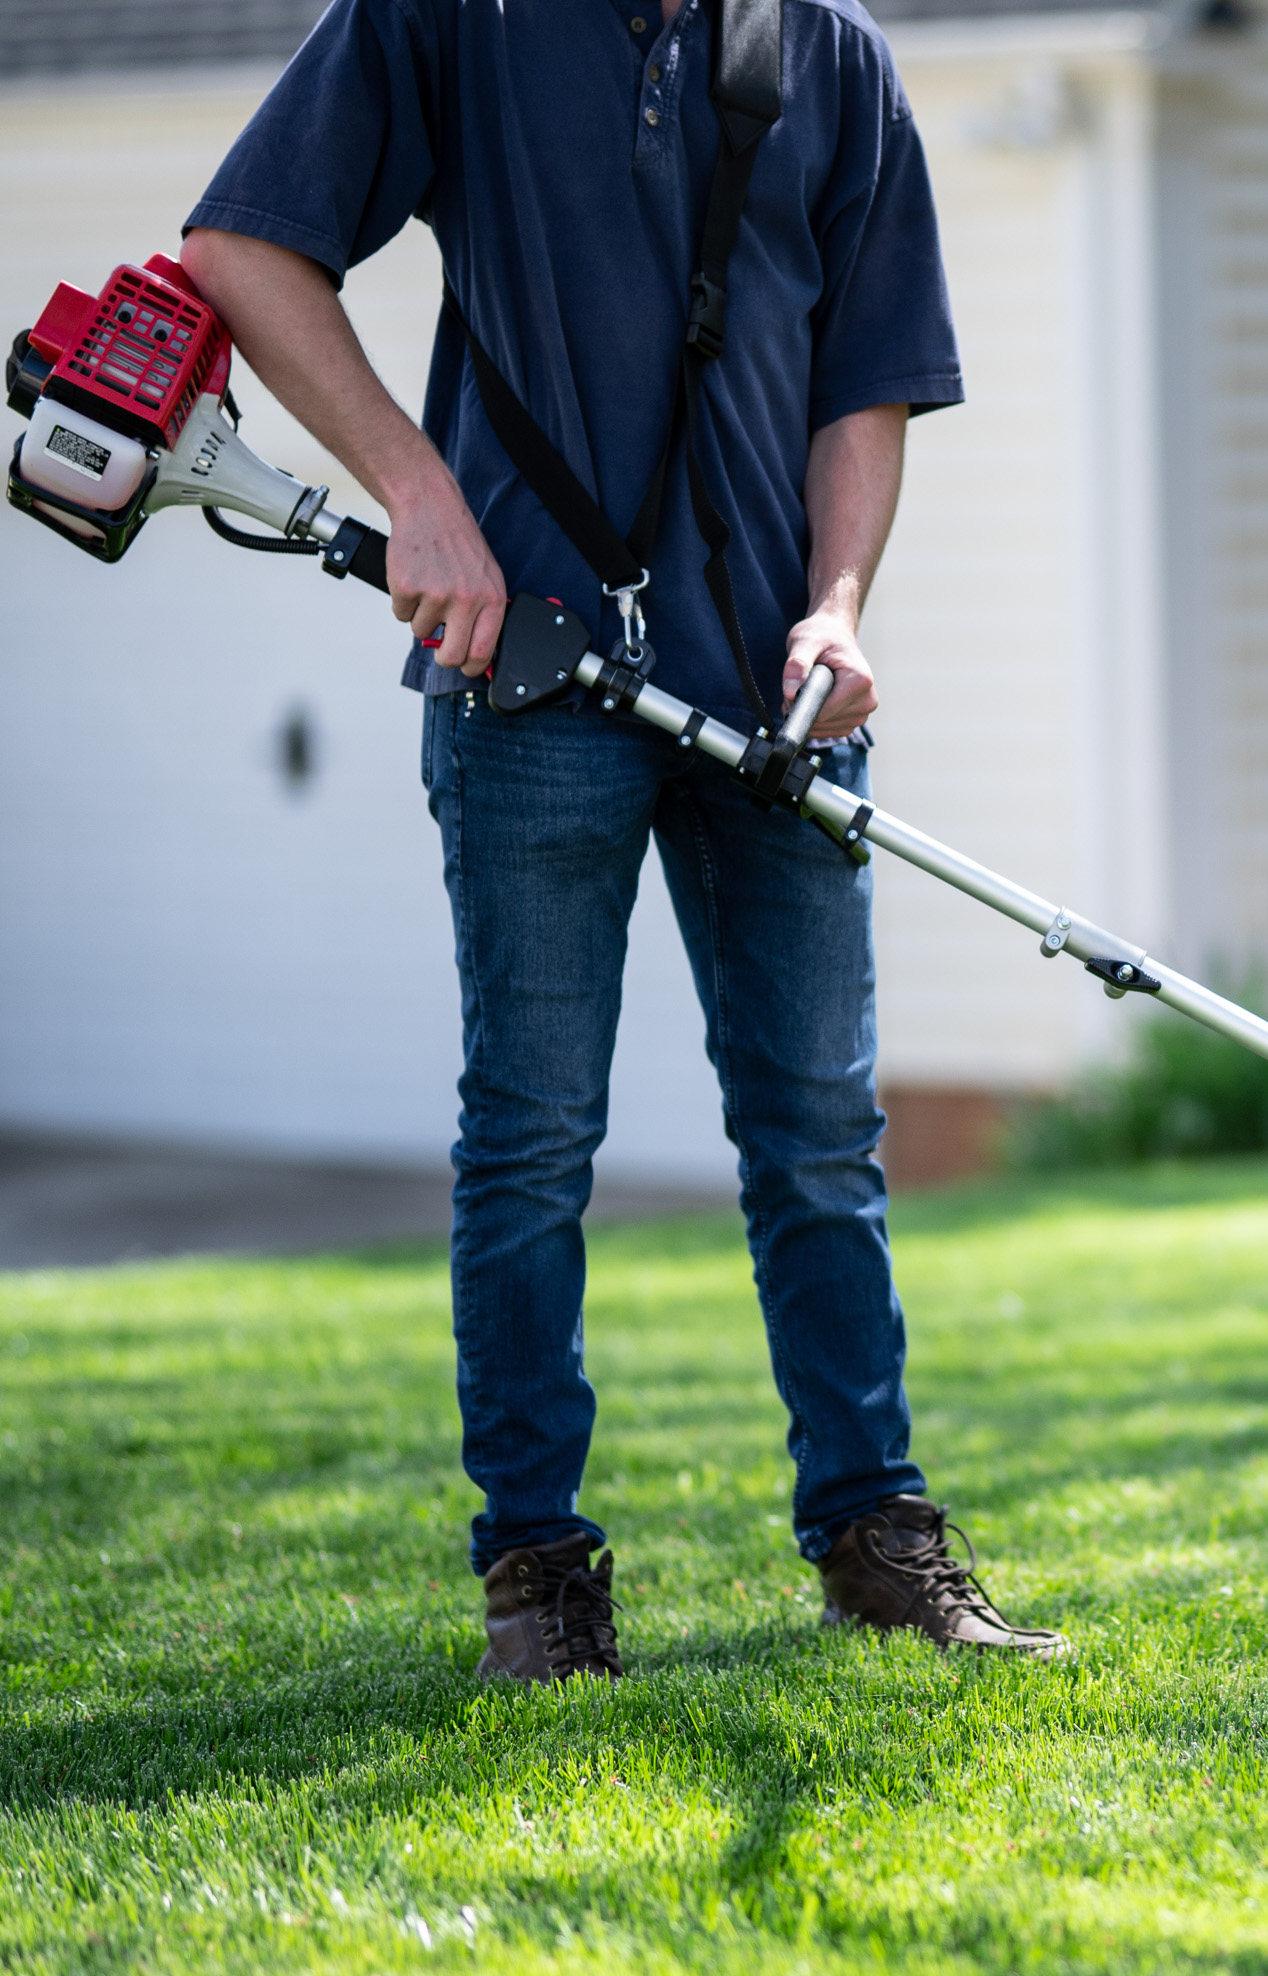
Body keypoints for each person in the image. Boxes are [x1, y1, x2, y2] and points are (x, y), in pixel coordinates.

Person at [180, 0, 1066, 1679]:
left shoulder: (832, 53)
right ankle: (537, 1573)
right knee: (532, 1141)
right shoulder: (452, 18)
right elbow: (244, 247)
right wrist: (421, 497)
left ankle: (873, 1534)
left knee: (820, 1137)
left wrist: (838, 606)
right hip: (529, 679)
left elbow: (866, 379)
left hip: (775, 701)